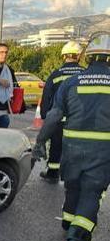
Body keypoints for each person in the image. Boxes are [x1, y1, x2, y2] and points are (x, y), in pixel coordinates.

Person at [32, 32, 110, 241]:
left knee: (73, 185)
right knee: (91, 192)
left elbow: (54, 117)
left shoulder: (71, 83)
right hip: (103, 150)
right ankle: (78, 238)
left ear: (88, 57)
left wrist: (40, 142)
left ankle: (68, 221)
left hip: (72, 147)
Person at [38, 41, 85, 183]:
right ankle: (75, 176)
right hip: (79, 120)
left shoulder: (56, 74)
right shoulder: (85, 74)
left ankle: (52, 174)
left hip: (58, 119)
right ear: (79, 56)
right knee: (78, 147)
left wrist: (45, 116)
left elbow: (47, 96)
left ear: (64, 56)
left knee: (56, 147)